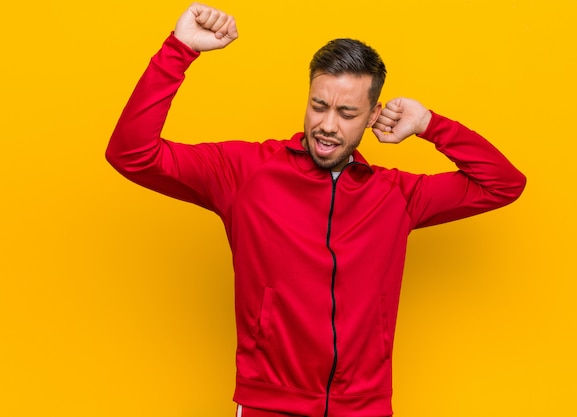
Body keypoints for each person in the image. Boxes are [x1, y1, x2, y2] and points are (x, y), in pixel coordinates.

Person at [106, 3, 526, 417]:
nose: (328, 125)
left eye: (347, 113)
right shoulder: (246, 174)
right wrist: (180, 48)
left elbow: (503, 183)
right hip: (269, 404)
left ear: (373, 116)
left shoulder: (396, 195)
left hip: (364, 408)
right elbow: (132, 153)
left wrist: (431, 125)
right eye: (319, 106)